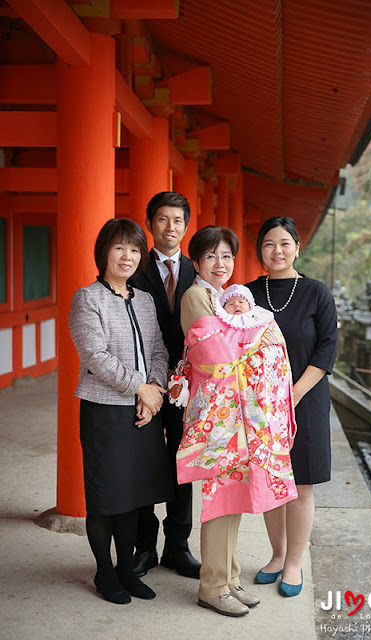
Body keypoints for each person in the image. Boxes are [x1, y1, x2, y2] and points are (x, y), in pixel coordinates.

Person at [178, 228, 297, 618]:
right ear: (196, 262)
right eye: (210, 257)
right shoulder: (197, 296)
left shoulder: (225, 299)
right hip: (219, 416)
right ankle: (212, 585)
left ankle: (228, 578)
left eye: (227, 256)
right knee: (220, 498)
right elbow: (214, 355)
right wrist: (254, 347)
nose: (220, 264)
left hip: (236, 417)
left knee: (234, 498)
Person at [69, 218, 173, 605]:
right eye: (119, 248)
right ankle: (104, 571)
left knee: (133, 496)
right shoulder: (87, 298)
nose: (127, 256)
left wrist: (154, 392)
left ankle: (127, 569)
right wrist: (140, 388)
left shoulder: (144, 300)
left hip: (145, 410)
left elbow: (159, 349)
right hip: (105, 411)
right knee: (105, 497)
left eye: (134, 249)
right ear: (104, 253)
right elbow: (96, 357)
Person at [246, 216, 337, 597]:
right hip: (261, 403)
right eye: (269, 244)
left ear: (298, 247)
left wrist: (294, 393)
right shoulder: (247, 293)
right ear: (260, 251)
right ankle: (277, 555)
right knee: (270, 480)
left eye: (285, 243)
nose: (277, 251)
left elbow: (327, 346)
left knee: (300, 483)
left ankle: (295, 562)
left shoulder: (317, 293)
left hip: (306, 398)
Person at [130, 191, 201, 580]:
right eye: (162, 219)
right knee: (143, 462)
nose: (170, 227)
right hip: (144, 385)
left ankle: (178, 545)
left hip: (188, 389)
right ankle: (145, 547)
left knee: (182, 462)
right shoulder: (134, 270)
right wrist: (147, 384)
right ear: (150, 224)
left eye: (177, 220)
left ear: (186, 226)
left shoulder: (199, 271)